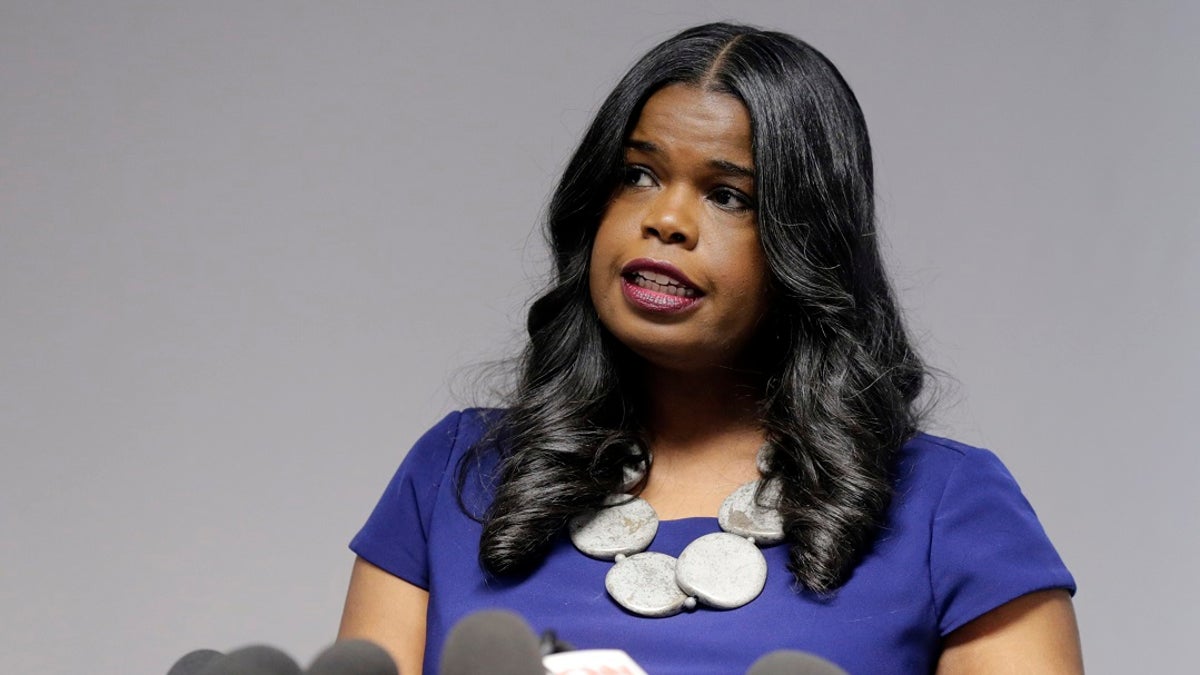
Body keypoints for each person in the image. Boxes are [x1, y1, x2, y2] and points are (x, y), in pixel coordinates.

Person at [337, 22, 1083, 674]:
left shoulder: (948, 507)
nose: (665, 219)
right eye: (637, 175)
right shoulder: (455, 475)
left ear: (807, 243)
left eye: (727, 194)